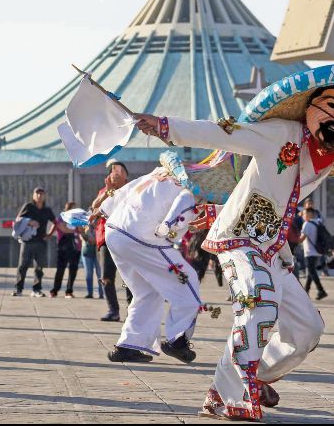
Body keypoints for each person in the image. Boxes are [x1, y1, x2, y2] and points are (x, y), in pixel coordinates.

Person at [136, 63, 334, 420]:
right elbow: (224, 133)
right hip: (239, 239)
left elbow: (280, 200)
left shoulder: (328, 160)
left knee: (307, 328)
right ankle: (232, 397)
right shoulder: (280, 134)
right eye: (332, 107)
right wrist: (165, 126)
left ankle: (250, 378)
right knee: (259, 303)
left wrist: (232, 216)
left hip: (271, 247)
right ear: (311, 110)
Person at [96, 151, 234, 364]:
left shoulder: (157, 174)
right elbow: (183, 205)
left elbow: (124, 191)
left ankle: (128, 346)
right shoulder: (190, 191)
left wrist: (103, 209)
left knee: (146, 291)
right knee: (188, 279)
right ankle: (177, 340)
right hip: (142, 236)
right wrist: (170, 227)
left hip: (115, 230)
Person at [91, 160, 132, 321]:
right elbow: (94, 207)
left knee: (130, 276)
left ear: (126, 176)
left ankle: (132, 311)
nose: (116, 173)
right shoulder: (105, 191)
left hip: (127, 238)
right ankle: (113, 310)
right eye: (113, 171)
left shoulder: (132, 189)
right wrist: (107, 192)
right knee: (106, 277)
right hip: (106, 238)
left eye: (120, 171)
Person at [13, 187, 57, 297]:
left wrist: (49, 234)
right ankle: (18, 289)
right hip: (27, 241)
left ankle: (36, 290)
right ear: (33, 195)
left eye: (41, 194)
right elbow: (17, 220)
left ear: (44, 196)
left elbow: (55, 222)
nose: (39, 196)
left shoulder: (47, 210)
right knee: (22, 266)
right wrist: (29, 222)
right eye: (37, 193)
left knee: (39, 267)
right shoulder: (28, 206)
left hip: (41, 242)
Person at [50, 202, 82, 298]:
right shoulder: (61, 217)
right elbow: (63, 228)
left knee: (73, 269)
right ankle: (55, 290)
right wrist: (74, 230)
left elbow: (81, 230)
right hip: (64, 245)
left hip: (75, 246)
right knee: (60, 268)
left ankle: (69, 291)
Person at [299, 208, 328, 300]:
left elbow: (302, 238)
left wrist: (292, 241)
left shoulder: (307, 224)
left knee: (311, 271)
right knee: (311, 272)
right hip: (317, 251)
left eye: (304, 214)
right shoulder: (318, 222)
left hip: (310, 252)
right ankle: (306, 291)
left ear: (309, 214)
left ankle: (321, 290)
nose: (303, 216)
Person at [80, 220, 103, 299]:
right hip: (87, 252)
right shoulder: (84, 226)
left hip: (98, 253)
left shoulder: (101, 225)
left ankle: (101, 293)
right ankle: (89, 293)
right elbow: (81, 236)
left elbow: (102, 237)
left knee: (100, 274)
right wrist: (85, 235)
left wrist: (95, 240)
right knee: (88, 274)